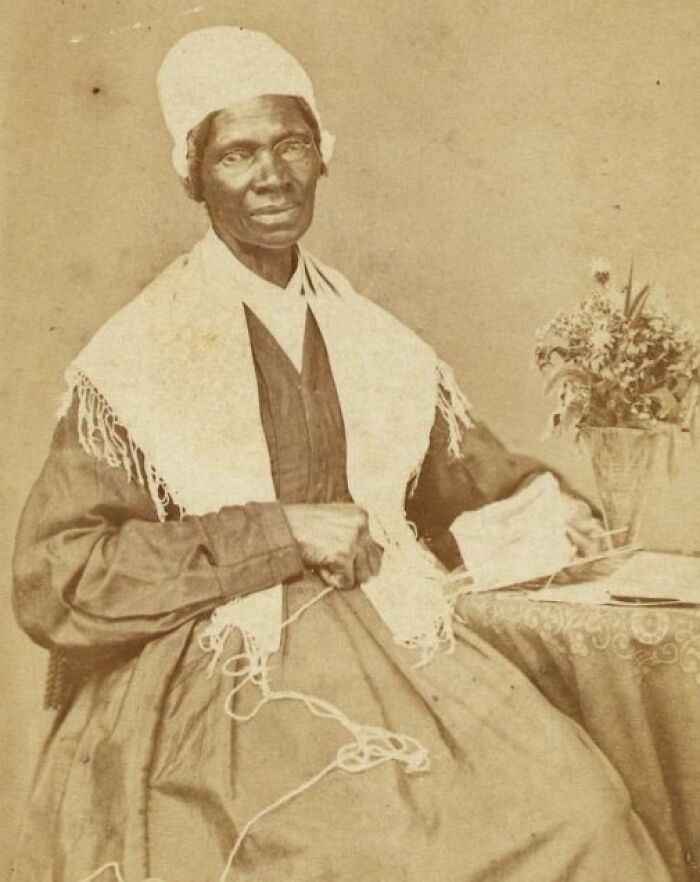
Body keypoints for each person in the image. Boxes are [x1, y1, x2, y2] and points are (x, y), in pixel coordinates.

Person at [11, 26, 671, 882]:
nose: (271, 175)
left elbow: (464, 487)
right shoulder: (136, 356)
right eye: (237, 154)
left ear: (323, 155)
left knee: (583, 818)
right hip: (222, 681)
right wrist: (279, 533)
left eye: (291, 144)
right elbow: (61, 578)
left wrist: (555, 510)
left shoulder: (377, 340)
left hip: (404, 640)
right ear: (193, 175)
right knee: (347, 854)